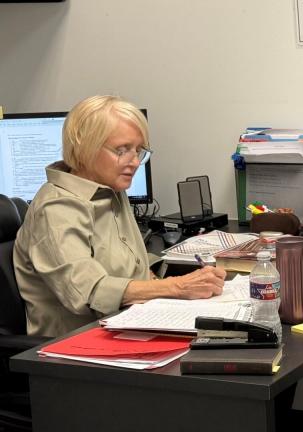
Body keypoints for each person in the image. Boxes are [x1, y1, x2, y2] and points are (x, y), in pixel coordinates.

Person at [14, 95, 226, 337]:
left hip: (127, 323)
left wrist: (167, 282)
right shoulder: (56, 208)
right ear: (85, 146)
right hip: (78, 346)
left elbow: (131, 265)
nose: (134, 162)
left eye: (138, 151)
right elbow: (88, 293)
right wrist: (177, 287)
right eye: (121, 150)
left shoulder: (110, 189)